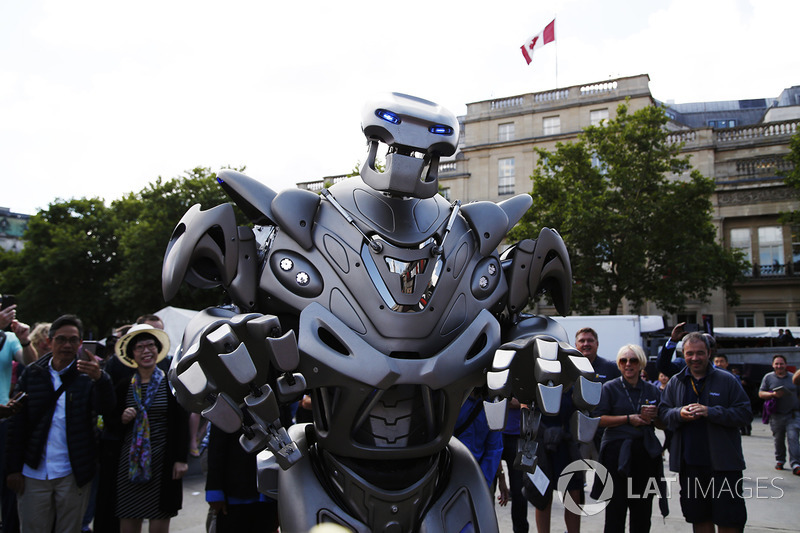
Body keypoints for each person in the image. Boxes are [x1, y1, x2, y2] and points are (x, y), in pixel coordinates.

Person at [5, 314, 115, 533]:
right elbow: (16, 424)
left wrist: (101, 380)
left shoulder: (89, 375)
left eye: (73, 340)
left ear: (80, 344)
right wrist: (13, 469)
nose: (67, 345)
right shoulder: (33, 374)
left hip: (73, 472)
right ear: (50, 341)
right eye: (61, 339)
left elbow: (107, 410)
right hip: (34, 471)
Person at [658, 332, 750, 533]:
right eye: (689, 353)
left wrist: (711, 412)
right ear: (683, 355)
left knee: (730, 521)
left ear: (709, 353)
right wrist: (679, 413)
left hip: (725, 465)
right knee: (699, 518)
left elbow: (745, 414)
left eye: (700, 353)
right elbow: (663, 414)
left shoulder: (727, 380)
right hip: (690, 465)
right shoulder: (676, 381)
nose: (695, 358)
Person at [108, 324, 189, 533]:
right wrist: (122, 418)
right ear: (132, 354)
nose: (146, 351)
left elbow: (182, 423)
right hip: (129, 465)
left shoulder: (171, 384)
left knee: (160, 520)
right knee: (128, 518)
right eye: (140, 347)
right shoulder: (124, 385)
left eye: (150, 345)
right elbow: (110, 422)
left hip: (163, 462)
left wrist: (181, 459)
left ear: (157, 349)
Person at [594, 344, 666, 532]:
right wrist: (628, 419)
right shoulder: (610, 388)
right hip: (616, 455)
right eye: (623, 360)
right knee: (615, 511)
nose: (628, 364)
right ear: (618, 364)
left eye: (633, 360)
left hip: (645, 455)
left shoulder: (652, 390)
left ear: (641, 363)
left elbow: (662, 424)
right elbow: (598, 420)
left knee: (642, 511)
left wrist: (655, 416)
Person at [205, 424, 279, 533]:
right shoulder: (226, 408)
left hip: (269, 488)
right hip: (235, 489)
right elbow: (216, 448)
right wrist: (215, 492)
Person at [758, 354, 799, 475]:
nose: (779, 366)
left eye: (781, 364)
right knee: (779, 439)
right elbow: (760, 393)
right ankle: (780, 460)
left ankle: (796, 464)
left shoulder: (794, 378)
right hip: (776, 415)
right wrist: (772, 395)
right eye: (777, 364)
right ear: (773, 365)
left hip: (793, 414)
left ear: (786, 365)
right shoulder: (768, 377)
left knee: (793, 438)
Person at [454, 388, 503, 488]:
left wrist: (482, 482)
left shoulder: (492, 406)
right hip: (453, 470)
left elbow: (494, 449)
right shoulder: (453, 401)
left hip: (474, 472)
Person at [499, 398, 529, 533]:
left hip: (519, 435)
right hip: (495, 431)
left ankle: (520, 530)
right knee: (487, 486)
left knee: (519, 491)